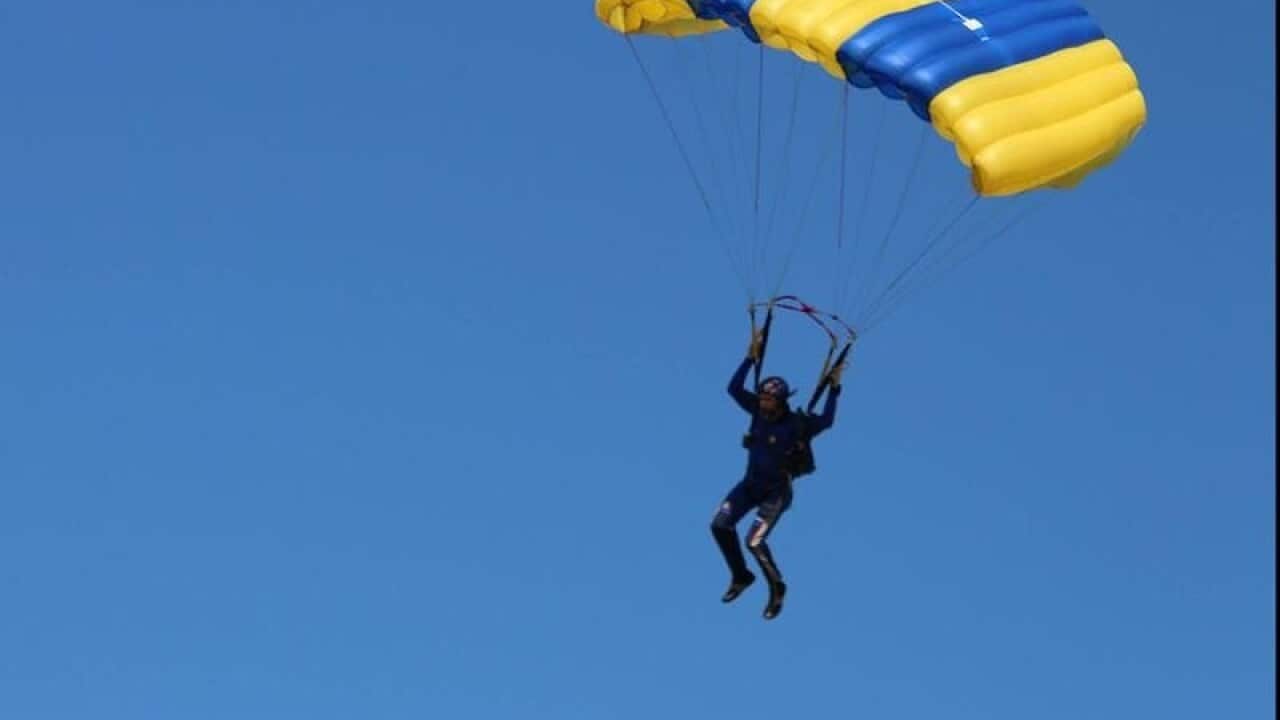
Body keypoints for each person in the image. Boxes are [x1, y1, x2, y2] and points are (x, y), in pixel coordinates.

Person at [711, 329, 844, 620]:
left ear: (781, 401)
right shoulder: (756, 411)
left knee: (754, 542)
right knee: (720, 525)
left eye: (768, 400)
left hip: (776, 494)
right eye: (760, 398)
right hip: (749, 486)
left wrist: (834, 389)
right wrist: (749, 358)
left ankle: (777, 589)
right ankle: (741, 576)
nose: (762, 403)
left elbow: (827, 421)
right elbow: (733, 389)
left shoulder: (797, 425)